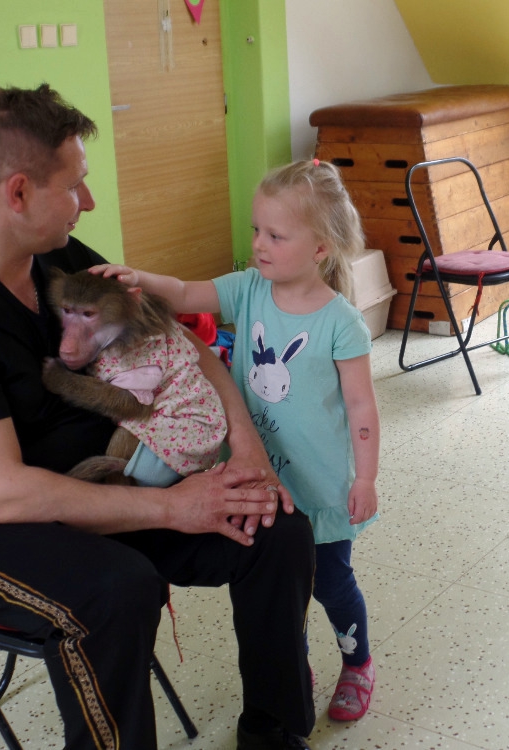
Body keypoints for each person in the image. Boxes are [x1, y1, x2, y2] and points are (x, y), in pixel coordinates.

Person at [0, 84, 317, 750]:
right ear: (18, 193)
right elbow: (5, 495)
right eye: (75, 185)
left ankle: (273, 732)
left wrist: (246, 449)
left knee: (275, 525)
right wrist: (176, 508)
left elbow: (184, 347)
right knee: (116, 590)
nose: (90, 202)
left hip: (108, 478)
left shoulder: (62, 260)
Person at [99, 158, 381, 722]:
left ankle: (358, 661)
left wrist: (367, 478)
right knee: (281, 589)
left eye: (276, 235)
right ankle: (294, 663)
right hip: (257, 483)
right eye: (257, 230)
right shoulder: (248, 289)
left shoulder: (340, 322)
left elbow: (361, 407)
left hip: (320, 487)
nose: (258, 244)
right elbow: (185, 292)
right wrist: (138, 279)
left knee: (330, 582)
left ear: (321, 248)